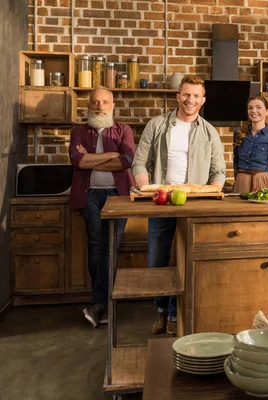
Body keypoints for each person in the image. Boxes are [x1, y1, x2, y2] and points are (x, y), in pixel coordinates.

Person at [132, 75, 226, 336]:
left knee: (186, 261)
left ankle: (175, 314)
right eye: (186, 94)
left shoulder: (209, 132)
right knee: (157, 261)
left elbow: (219, 172)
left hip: (195, 206)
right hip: (161, 202)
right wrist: (145, 187)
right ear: (178, 96)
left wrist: (212, 190)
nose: (190, 100)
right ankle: (161, 312)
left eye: (196, 96)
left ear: (203, 100)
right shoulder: (157, 125)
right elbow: (140, 163)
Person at [69, 86, 135, 328]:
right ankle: (104, 304)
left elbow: (127, 160)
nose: (100, 106)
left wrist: (92, 160)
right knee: (95, 246)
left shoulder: (124, 130)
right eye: (95, 102)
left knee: (110, 247)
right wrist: (111, 155)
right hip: (90, 196)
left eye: (105, 102)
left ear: (113, 106)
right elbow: (77, 161)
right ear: (89, 105)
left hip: (118, 196)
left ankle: (98, 303)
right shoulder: (78, 131)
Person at [233, 95, 268, 193]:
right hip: (241, 180)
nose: (253, 111)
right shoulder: (239, 133)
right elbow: (236, 161)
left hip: (263, 182)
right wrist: (238, 179)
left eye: (259, 107)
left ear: (267, 111)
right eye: (250, 108)